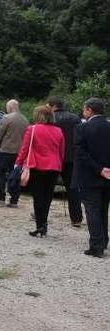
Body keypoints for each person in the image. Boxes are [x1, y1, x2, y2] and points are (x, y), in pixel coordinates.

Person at [16, 105, 65, 238]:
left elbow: (24, 149)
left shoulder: (32, 129)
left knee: (38, 197)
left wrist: (18, 163)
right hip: (54, 167)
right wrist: (60, 165)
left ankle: (40, 226)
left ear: (38, 115)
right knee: (48, 197)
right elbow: (61, 151)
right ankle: (44, 225)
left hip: (37, 166)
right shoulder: (59, 131)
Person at [74, 98, 110, 257]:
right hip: (108, 175)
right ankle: (104, 240)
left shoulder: (82, 128)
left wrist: (99, 169)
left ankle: (96, 245)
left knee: (92, 209)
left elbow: (81, 154)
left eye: (84, 109)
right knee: (103, 208)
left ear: (89, 110)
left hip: (90, 175)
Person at [49, 98, 83, 226]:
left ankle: (40, 214)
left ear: (53, 106)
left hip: (54, 157)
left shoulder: (50, 118)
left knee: (47, 188)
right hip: (72, 158)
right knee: (73, 189)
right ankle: (77, 218)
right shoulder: (75, 118)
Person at [0, 99, 29, 208]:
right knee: (15, 176)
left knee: (0, 173)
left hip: (6, 150)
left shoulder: (7, 118)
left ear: (10, 107)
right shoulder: (25, 120)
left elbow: (0, 134)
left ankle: (1, 198)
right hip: (19, 153)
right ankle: (14, 200)